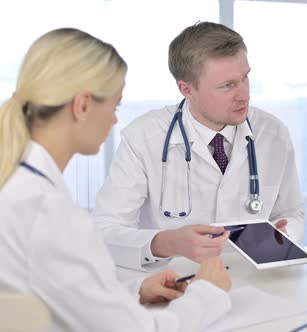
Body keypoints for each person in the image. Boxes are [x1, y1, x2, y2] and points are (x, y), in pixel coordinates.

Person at [0, 28, 232, 331]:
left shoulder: (18, 186)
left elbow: (57, 293)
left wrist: (134, 292)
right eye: (115, 105)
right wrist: (208, 293)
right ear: (82, 105)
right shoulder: (47, 212)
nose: (114, 119)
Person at [92, 21, 305, 271]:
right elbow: (105, 230)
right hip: (174, 285)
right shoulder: (143, 137)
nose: (244, 95)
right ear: (187, 89)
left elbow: (291, 212)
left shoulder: (273, 134)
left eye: (245, 78)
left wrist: (284, 233)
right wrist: (165, 243)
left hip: (254, 282)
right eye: (227, 86)